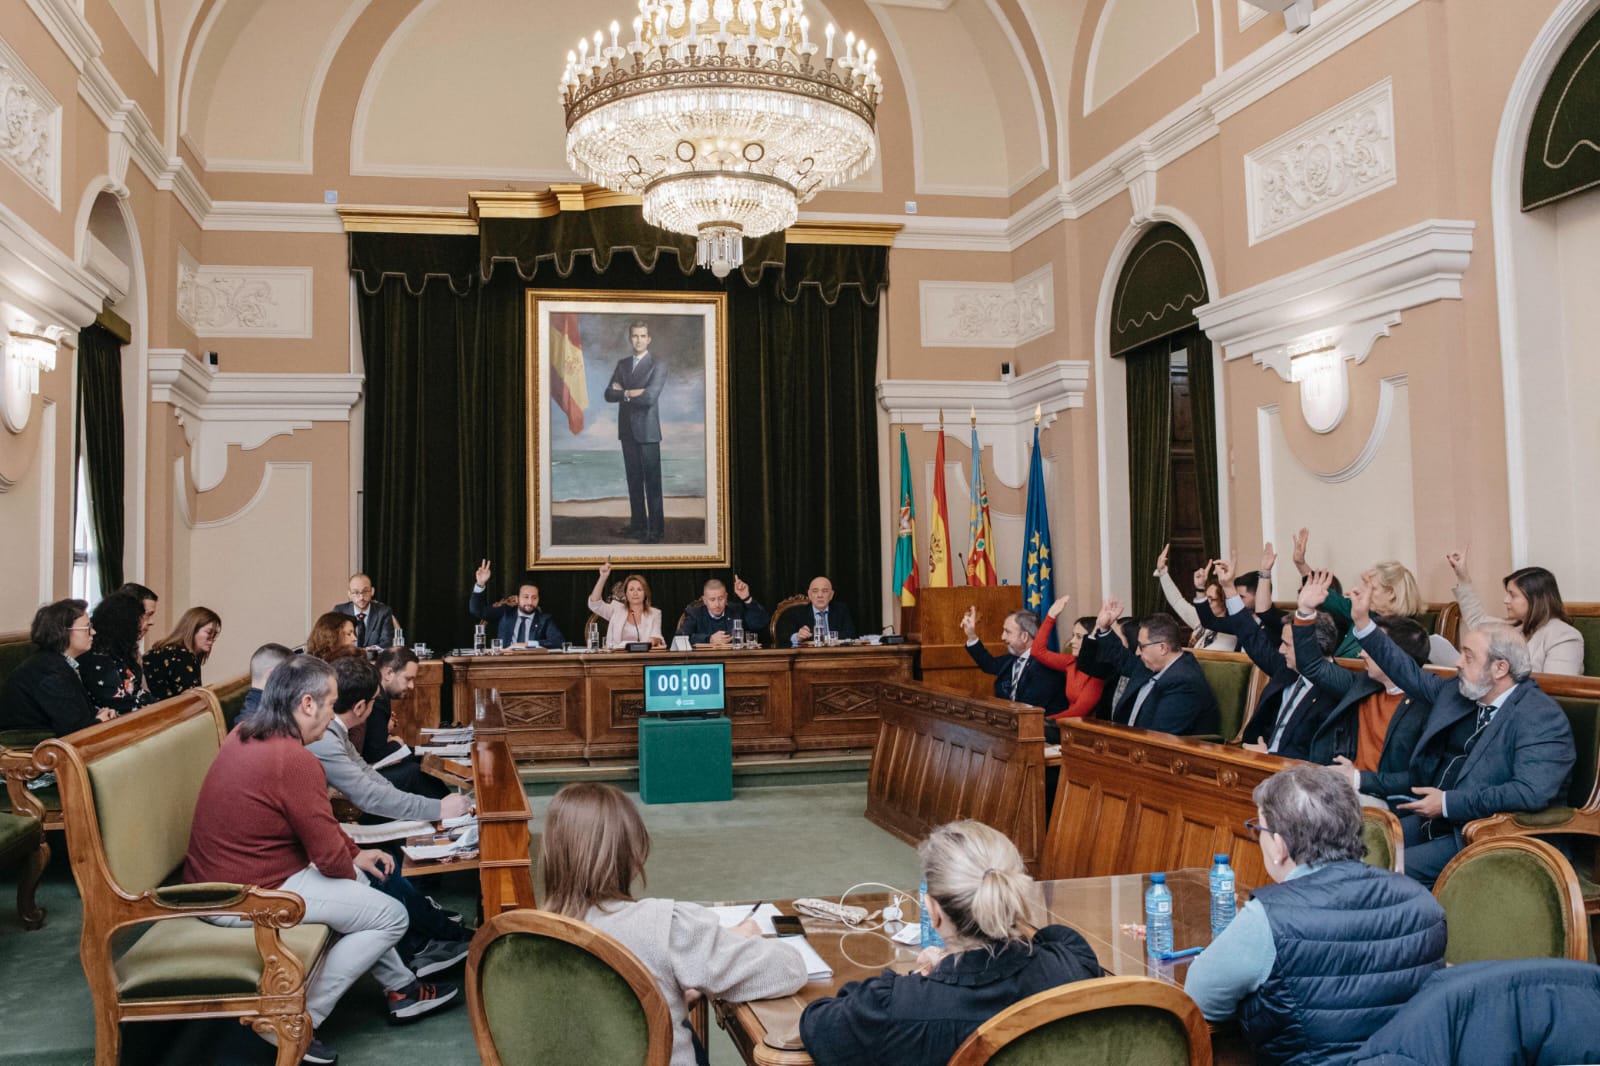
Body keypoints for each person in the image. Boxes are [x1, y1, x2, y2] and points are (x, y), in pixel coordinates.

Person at [182, 656, 459, 1064]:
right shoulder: (295, 760)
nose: (333, 716)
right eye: (330, 705)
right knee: (390, 916)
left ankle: (402, 990)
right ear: (307, 704)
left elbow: (317, 831)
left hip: (222, 878)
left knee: (364, 887)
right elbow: (328, 857)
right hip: (248, 894)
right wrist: (349, 862)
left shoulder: (245, 732)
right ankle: (294, 1021)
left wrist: (355, 855)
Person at [1184, 765, 1447, 1065]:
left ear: (1279, 847)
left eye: (1259, 829)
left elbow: (1199, 1000)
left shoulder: (1268, 918)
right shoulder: (1424, 903)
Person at [540, 782, 806, 1066]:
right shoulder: (664, 927)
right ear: (629, 854)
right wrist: (743, 939)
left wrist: (665, 994)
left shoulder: (523, 937)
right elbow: (789, 970)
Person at [800, 820, 1104, 1066]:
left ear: (933, 912)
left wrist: (922, 979)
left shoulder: (893, 1006)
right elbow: (1050, 939)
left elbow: (817, 1025)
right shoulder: (1071, 967)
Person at [1349, 579, 1576, 885]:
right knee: (1351, 850)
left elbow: (1529, 793)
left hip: (1490, 833)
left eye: (1468, 656)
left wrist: (1447, 803)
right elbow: (1406, 671)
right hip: (1438, 820)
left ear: (1500, 669)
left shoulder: (1540, 716)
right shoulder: (1461, 692)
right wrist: (1363, 623)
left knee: (1381, 871)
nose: (1457, 662)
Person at [1292, 572, 1433, 793]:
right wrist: (1305, 612)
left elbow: (1420, 778)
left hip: (1386, 799)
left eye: (1372, 648)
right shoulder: (1363, 685)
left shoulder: (1426, 704)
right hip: (1342, 788)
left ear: (1393, 657)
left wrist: (1359, 779)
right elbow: (1312, 666)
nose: (1362, 655)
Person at [309, 655, 472, 824]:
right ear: (359, 707)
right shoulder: (326, 738)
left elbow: (367, 773)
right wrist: (439, 808)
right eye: (374, 700)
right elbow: (368, 795)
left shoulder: (337, 730)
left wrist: (409, 800)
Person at [1210, 560, 1343, 758]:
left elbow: (1321, 758)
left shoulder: (1335, 690)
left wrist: (1271, 753)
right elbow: (1251, 635)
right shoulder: (1288, 669)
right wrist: (1228, 588)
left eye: (1287, 645)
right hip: (1255, 758)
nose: (1280, 650)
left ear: (1310, 648)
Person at [1077, 601, 1220, 735]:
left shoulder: (1184, 682)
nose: (1138, 652)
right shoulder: (1152, 665)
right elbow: (1121, 657)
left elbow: (1160, 737)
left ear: (1162, 648)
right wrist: (1104, 627)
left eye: (1142, 646)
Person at [1447, 548, 1584, 675]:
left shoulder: (1563, 636)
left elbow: (1557, 687)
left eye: (1512, 595)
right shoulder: (1514, 627)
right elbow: (1477, 621)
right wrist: (1463, 576)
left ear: (1535, 599)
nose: (1505, 600)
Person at [604, 320, 667, 543]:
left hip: (648, 433)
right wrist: (632, 393)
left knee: (652, 483)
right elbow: (608, 394)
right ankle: (638, 526)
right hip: (627, 432)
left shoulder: (657, 364)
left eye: (642, 336)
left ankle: (656, 530)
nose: (638, 340)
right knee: (633, 481)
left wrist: (624, 392)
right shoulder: (622, 364)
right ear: (630, 338)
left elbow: (650, 397)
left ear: (648, 339)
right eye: (635, 336)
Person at [0, 599, 104, 735]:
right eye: (87, 628)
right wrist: (100, 722)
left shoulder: (57, 662)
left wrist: (100, 716)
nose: (94, 632)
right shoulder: (50, 671)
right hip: (27, 745)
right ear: (63, 632)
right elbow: (73, 730)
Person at [356, 648, 449, 799]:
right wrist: (396, 744)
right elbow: (375, 754)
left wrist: (390, 739)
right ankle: (451, 810)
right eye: (408, 678)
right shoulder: (377, 698)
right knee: (414, 771)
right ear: (388, 673)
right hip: (366, 774)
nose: (412, 686)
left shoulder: (379, 692)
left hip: (370, 766)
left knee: (419, 758)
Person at [960, 607, 1068, 735]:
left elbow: (1028, 709)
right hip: (1013, 729)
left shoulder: (1045, 666)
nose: (1002, 637)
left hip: (1038, 735)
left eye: (1007, 632)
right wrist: (971, 635)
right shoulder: (1012, 659)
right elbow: (989, 665)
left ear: (1024, 636)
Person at [1028, 596, 1104, 720]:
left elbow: (1079, 711)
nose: (1071, 641)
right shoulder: (1071, 661)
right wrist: (1051, 616)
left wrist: (1045, 721)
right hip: (1066, 725)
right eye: (1073, 635)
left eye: (1078, 637)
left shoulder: (1098, 672)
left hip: (1088, 731)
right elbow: (1037, 651)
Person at [77, 592, 151, 717]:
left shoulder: (119, 654)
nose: (145, 625)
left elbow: (141, 695)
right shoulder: (96, 659)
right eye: (141, 619)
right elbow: (120, 704)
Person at [1154, 546, 1238, 652]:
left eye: (1211, 599)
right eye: (1205, 597)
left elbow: (1208, 655)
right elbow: (1177, 601)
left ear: (1223, 602)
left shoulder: (1230, 630)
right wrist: (1162, 572)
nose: (1206, 603)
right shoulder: (1200, 620)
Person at [469, 560, 564, 648]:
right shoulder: (504, 612)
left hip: (532, 663)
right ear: (517, 599)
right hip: (504, 662)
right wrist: (480, 584)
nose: (530, 602)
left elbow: (558, 642)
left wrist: (527, 645)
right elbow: (477, 610)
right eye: (526, 597)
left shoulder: (545, 620)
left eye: (534, 598)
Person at [143, 607, 220, 701]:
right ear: (192, 629)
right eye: (209, 632)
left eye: (215, 634)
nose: (212, 638)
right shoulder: (182, 656)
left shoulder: (167, 650)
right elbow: (192, 701)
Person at [586, 562, 665, 648]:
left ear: (645, 593)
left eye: (639, 589)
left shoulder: (655, 613)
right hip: (617, 658)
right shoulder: (616, 609)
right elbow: (595, 604)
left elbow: (657, 636)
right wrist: (603, 577)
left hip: (644, 657)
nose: (635, 593)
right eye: (631, 589)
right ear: (626, 594)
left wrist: (654, 640)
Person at [676, 577, 769, 647]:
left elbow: (760, 624)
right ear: (704, 600)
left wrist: (747, 598)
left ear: (726, 597)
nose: (717, 604)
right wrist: (709, 639)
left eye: (721, 598)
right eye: (712, 599)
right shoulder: (695, 613)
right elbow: (680, 639)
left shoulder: (736, 611)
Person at [776, 576, 858, 646]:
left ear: (831, 595)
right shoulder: (795, 612)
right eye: (815, 591)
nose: (820, 595)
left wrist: (823, 638)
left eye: (825, 591)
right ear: (809, 594)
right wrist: (797, 637)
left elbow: (851, 634)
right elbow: (783, 637)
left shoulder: (841, 610)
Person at [333, 572, 399, 649]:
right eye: (356, 592)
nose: (361, 597)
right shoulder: (340, 611)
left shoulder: (383, 612)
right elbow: (333, 640)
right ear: (349, 594)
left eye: (365, 591)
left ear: (372, 591)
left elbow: (387, 642)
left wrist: (367, 651)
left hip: (374, 659)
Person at [239, 642, 292, 723]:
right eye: (290, 677)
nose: (294, 683)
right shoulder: (253, 724)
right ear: (272, 676)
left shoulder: (271, 705)